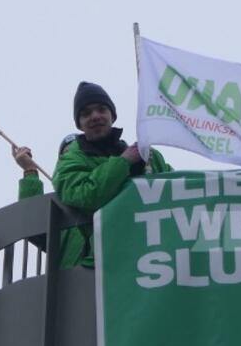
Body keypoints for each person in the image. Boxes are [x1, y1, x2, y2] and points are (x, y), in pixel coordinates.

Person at [13, 82, 172, 269]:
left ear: (112, 114)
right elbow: (34, 226)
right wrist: (30, 172)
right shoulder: (66, 219)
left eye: (101, 109)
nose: (95, 116)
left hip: (150, 262)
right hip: (85, 281)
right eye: (86, 113)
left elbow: (178, 194)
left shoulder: (147, 158)